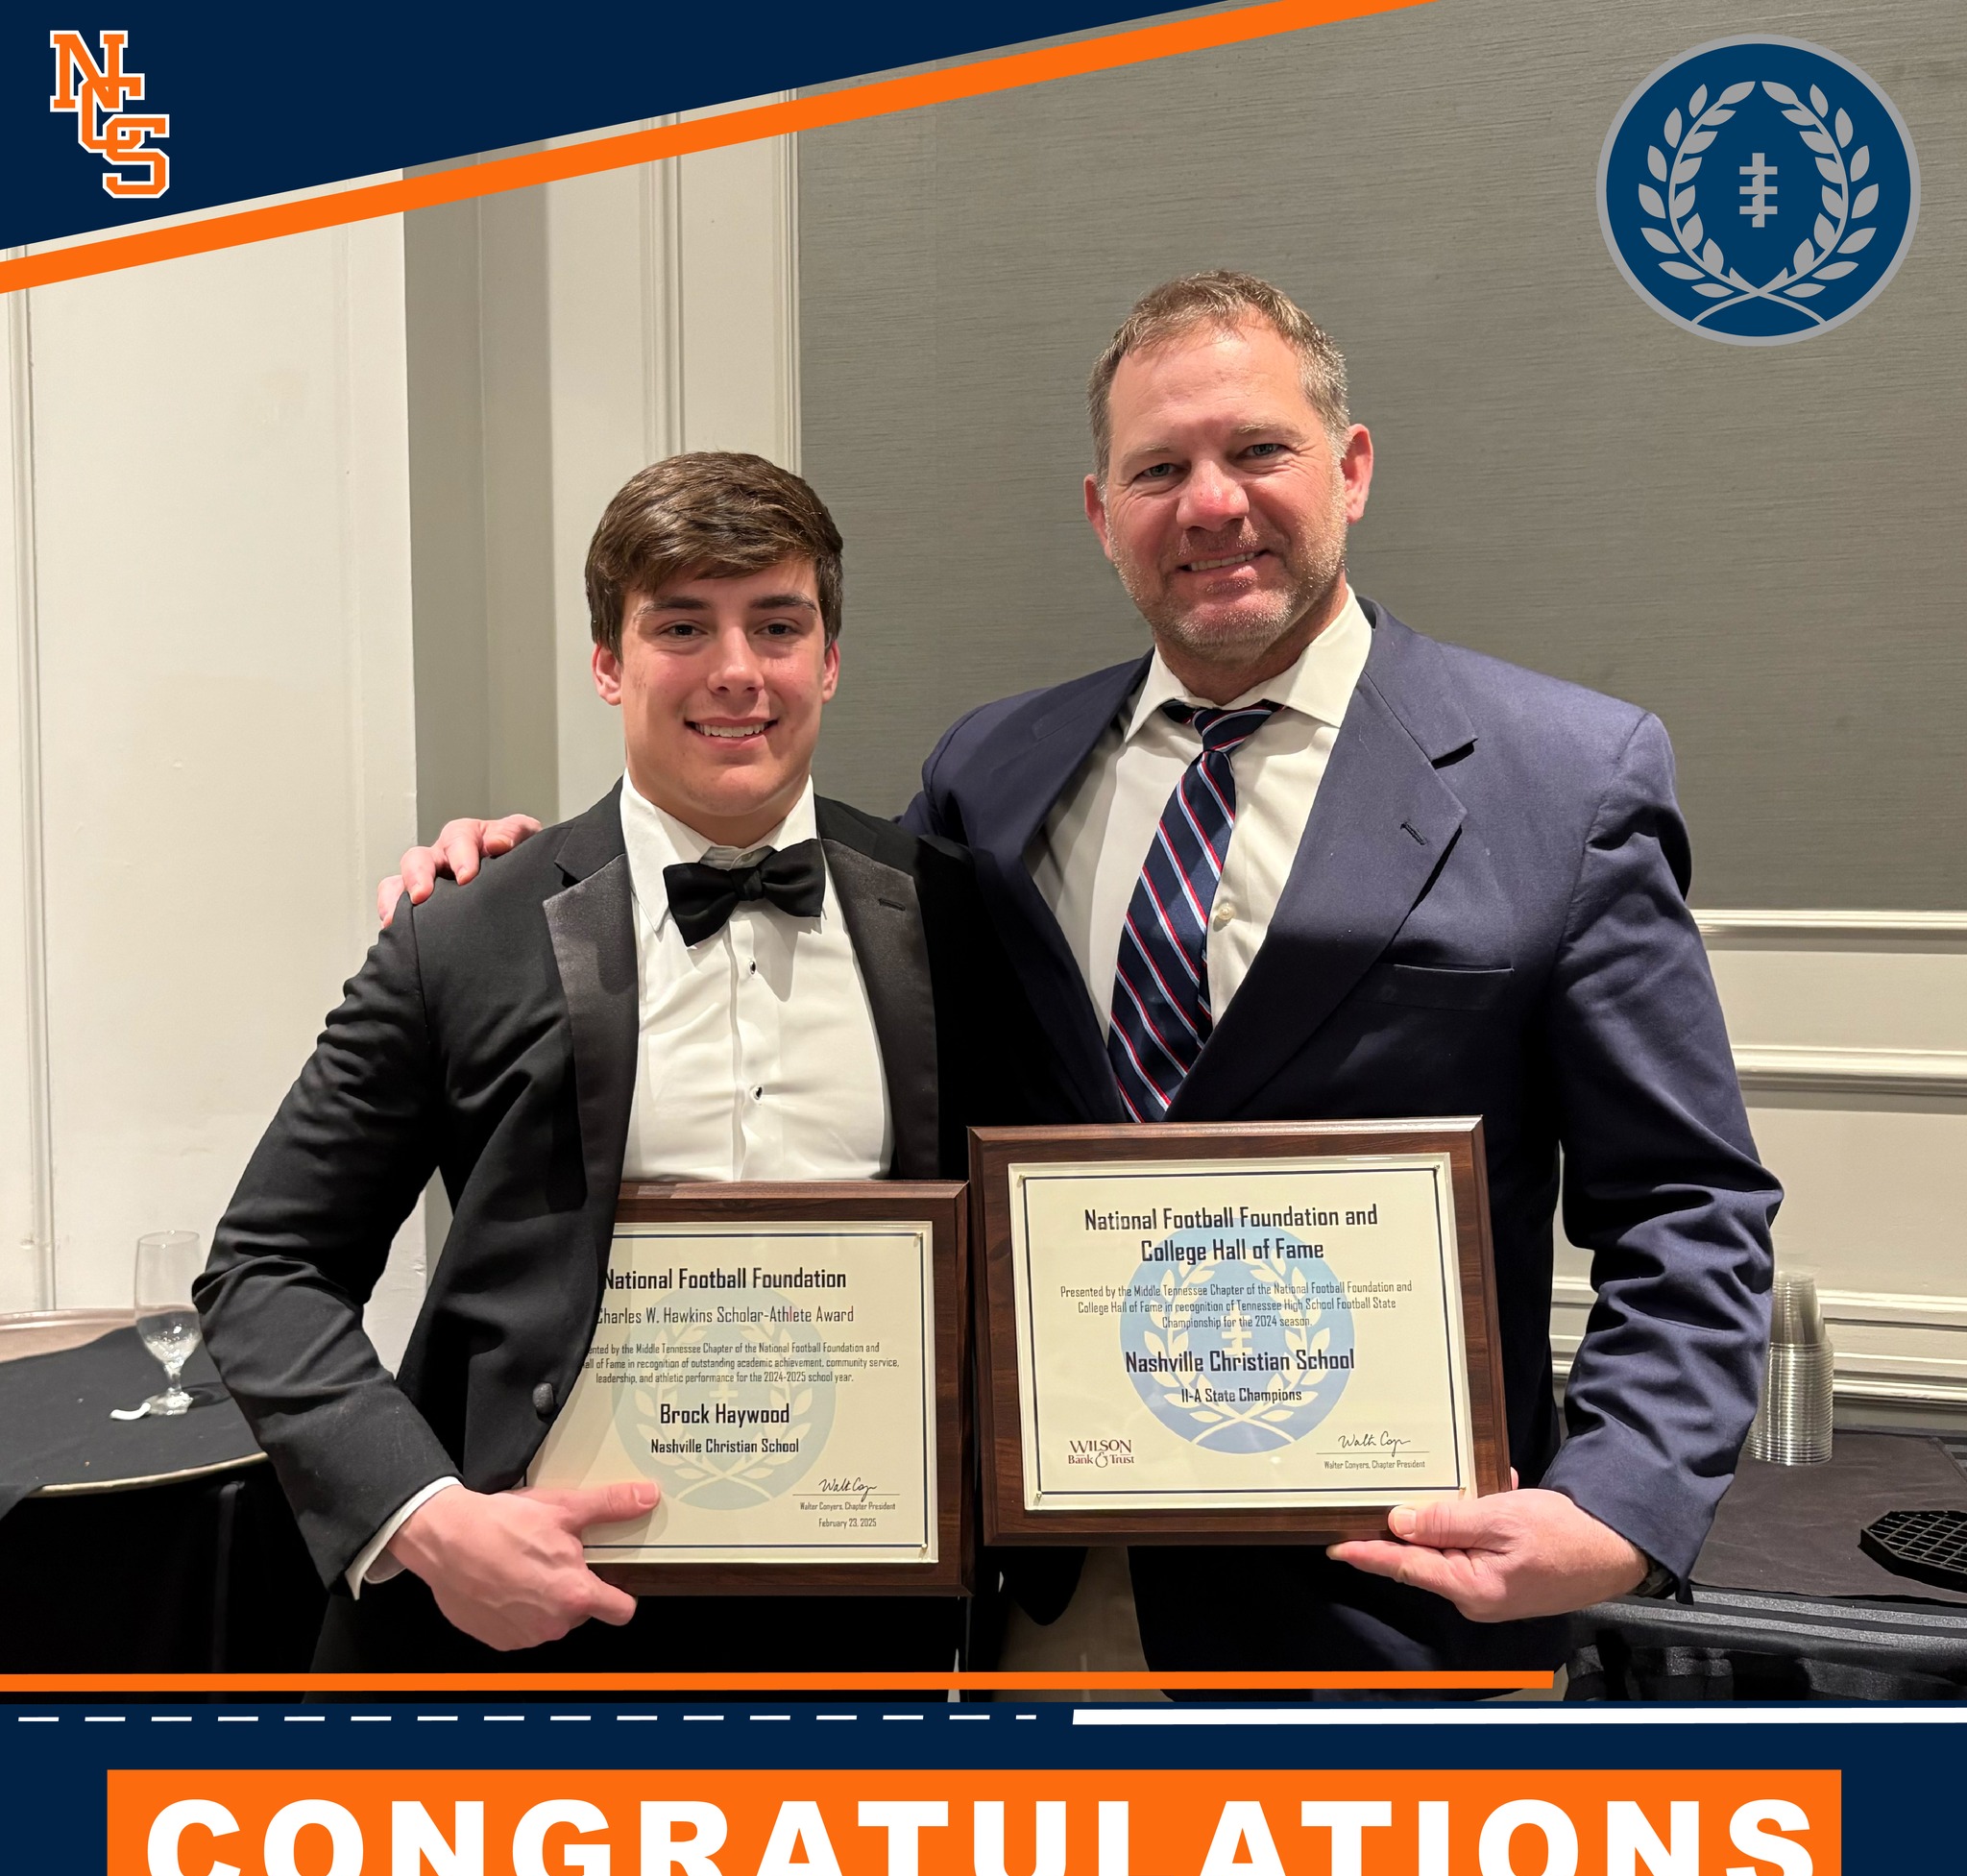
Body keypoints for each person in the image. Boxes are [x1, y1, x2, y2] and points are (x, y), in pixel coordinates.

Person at [392, 273, 1779, 1677]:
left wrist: (1620, 1501)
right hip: (1052, 1600)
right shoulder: (992, 774)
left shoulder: (1564, 777)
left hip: (1393, 1598)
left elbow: (1686, 1195)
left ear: (1352, 469)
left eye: (1258, 449)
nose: (1211, 503)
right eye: (1157, 470)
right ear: (1101, 512)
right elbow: (815, 965)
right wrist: (539, 872)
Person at [199, 451, 1038, 1669]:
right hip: (520, 1622)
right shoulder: (465, 930)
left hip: (866, 1626)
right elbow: (267, 1265)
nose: (737, 669)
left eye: (777, 624)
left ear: (829, 658)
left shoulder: (952, 912)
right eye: (681, 626)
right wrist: (429, 1523)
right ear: (607, 662)